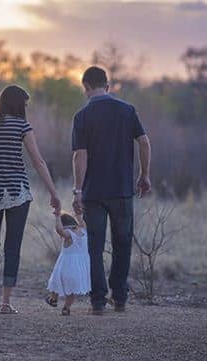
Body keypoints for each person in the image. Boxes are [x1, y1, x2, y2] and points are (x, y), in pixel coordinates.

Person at [0, 84, 61, 314]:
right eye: (25, 105)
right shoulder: (22, 126)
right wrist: (54, 193)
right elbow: (38, 162)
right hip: (17, 192)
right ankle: (5, 303)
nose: (26, 109)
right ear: (18, 104)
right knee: (12, 247)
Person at [71, 66, 152, 315]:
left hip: (94, 192)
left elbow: (79, 156)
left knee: (94, 247)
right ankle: (119, 298)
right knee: (122, 244)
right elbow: (144, 142)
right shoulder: (127, 111)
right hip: (121, 190)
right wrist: (144, 174)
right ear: (107, 86)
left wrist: (77, 190)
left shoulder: (82, 116)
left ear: (85, 88)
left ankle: (97, 302)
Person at [45, 210, 91, 316]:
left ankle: (53, 299)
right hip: (80, 268)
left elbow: (59, 230)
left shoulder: (69, 235)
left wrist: (57, 217)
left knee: (56, 281)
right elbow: (82, 222)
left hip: (66, 266)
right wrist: (78, 215)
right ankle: (66, 308)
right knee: (71, 290)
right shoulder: (84, 231)